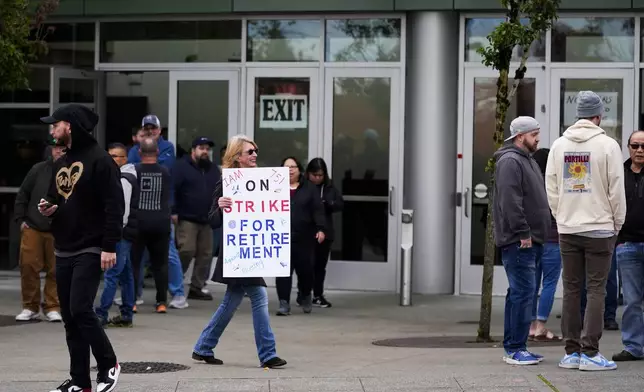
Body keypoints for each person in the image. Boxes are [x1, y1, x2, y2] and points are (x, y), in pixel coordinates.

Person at [39, 103, 122, 392]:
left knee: (80, 309)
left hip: (91, 247)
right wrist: (50, 209)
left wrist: (109, 246)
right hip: (64, 246)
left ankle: (109, 363)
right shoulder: (62, 160)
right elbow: (56, 198)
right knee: (70, 319)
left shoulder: (100, 160)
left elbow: (114, 206)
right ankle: (80, 382)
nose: (52, 129)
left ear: (70, 126)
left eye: (55, 124)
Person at [546, 90, 626, 371]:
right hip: (600, 228)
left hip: (568, 228)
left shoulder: (558, 145)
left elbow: (552, 188)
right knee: (596, 290)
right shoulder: (608, 145)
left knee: (570, 289)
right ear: (598, 116)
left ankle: (571, 352)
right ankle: (591, 353)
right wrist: (617, 223)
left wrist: (561, 217)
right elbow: (616, 189)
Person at [192, 135, 286, 369]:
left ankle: (203, 346)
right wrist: (222, 207)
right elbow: (212, 220)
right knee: (259, 296)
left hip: (251, 251)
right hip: (237, 253)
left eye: (255, 151)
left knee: (231, 301)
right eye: (250, 152)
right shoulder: (227, 182)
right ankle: (267, 354)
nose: (255, 155)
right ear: (237, 157)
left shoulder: (262, 180)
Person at [493, 116, 550, 366]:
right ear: (520, 136)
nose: (538, 138)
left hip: (530, 240)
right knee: (523, 293)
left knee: (520, 293)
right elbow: (510, 200)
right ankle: (515, 348)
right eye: (534, 133)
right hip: (520, 241)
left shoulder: (526, 160)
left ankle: (516, 346)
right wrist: (523, 232)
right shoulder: (510, 161)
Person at [127, 115, 188, 310]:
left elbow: (145, 163)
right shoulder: (141, 156)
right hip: (150, 217)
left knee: (163, 258)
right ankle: (142, 298)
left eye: (153, 128)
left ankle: (175, 294)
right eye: (147, 128)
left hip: (155, 215)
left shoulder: (167, 148)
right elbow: (136, 164)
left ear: (160, 130)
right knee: (146, 260)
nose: (150, 131)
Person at [14, 138, 65, 322]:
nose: (59, 151)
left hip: (59, 229)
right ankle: (30, 306)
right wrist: (20, 220)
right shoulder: (38, 169)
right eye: (56, 148)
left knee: (56, 270)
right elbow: (23, 194)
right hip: (33, 226)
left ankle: (53, 306)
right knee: (28, 266)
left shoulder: (72, 172)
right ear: (51, 150)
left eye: (63, 148)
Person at [275, 156, 325, 315]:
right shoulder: (273, 187)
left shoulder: (309, 188)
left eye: (293, 167)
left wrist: (320, 229)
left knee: (305, 271)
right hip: (281, 236)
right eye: (286, 167)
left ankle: (305, 294)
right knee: (283, 272)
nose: (289, 170)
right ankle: (283, 303)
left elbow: (317, 210)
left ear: (299, 169)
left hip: (304, 236)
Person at [95, 143, 138, 328]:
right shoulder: (121, 175)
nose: (111, 159)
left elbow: (123, 209)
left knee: (112, 274)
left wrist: (112, 232)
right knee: (126, 274)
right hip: (125, 231)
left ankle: (101, 314)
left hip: (120, 231)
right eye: (109, 156)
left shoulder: (124, 179)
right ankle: (127, 313)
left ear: (124, 159)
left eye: (115, 156)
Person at [173, 137, 221, 301]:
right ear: (193, 150)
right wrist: (173, 211)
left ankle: (196, 287)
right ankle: (175, 283)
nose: (205, 152)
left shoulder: (213, 169)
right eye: (201, 148)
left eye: (207, 149)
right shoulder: (181, 167)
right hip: (187, 218)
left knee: (206, 255)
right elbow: (172, 189)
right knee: (186, 250)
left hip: (207, 219)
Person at [611, 130, 644, 362]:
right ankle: (633, 347)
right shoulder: (619, 174)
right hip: (628, 245)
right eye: (635, 146)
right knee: (632, 300)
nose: (639, 150)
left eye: (643, 146)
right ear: (628, 147)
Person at [130, 138, 172, 314]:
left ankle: (131, 301)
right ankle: (161, 302)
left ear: (139, 153)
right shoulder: (165, 172)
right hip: (160, 223)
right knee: (160, 264)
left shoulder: (134, 171)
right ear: (157, 153)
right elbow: (169, 198)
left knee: (134, 264)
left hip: (138, 223)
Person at [529, 148, 562, 342]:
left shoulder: (531, 183)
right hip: (553, 238)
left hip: (533, 238)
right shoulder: (555, 182)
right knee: (549, 283)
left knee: (531, 283)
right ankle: (541, 325)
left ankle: (531, 325)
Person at [305, 158, 343, 308]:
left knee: (320, 265)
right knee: (306, 264)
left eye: (320, 175)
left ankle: (318, 294)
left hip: (324, 230)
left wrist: (328, 203)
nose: (317, 178)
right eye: (315, 175)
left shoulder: (329, 187)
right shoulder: (303, 186)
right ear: (308, 174)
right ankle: (305, 293)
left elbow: (340, 204)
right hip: (306, 229)